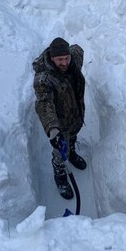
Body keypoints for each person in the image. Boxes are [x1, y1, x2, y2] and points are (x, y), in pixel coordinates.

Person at [32, 37, 87, 199]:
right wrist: (52, 129)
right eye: (59, 60)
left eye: (66, 58)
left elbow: (78, 48)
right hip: (59, 122)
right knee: (59, 151)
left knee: (74, 136)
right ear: (51, 58)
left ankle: (71, 152)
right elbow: (44, 103)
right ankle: (60, 172)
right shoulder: (44, 79)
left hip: (76, 112)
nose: (64, 63)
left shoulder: (74, 58)